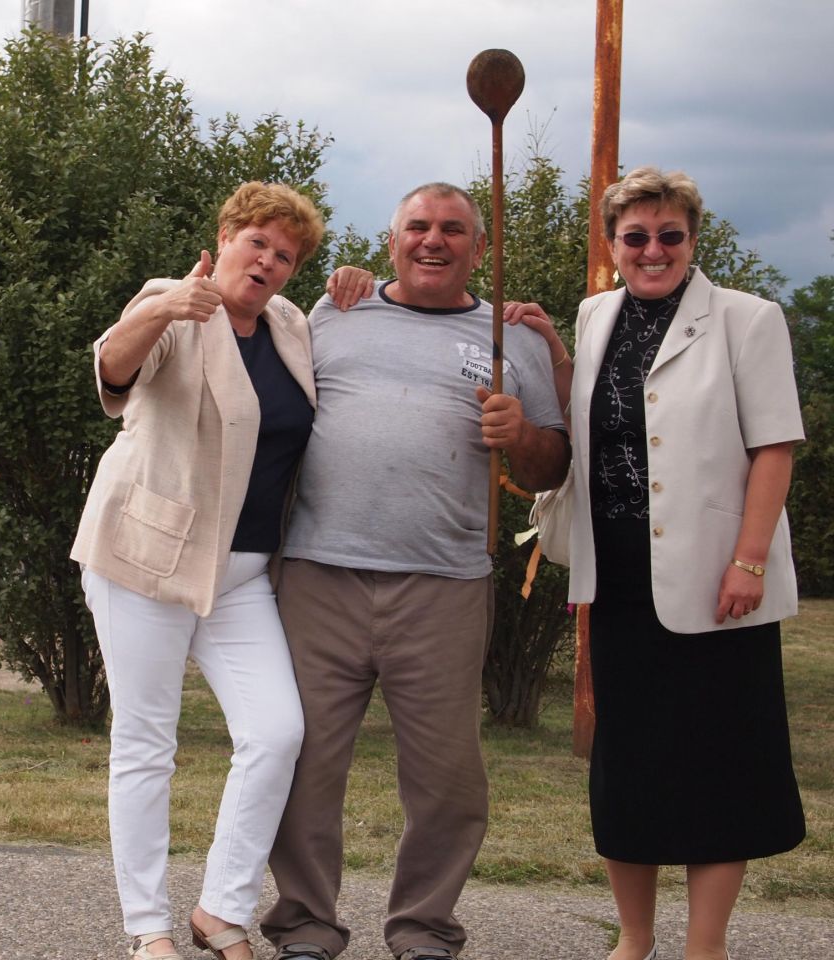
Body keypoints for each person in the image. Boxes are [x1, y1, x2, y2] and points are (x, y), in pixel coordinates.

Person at [261, 182, 570, 960]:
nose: (434, 240)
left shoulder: (512, 337)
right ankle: (304, 926)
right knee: (302, 763)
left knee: (446, 777)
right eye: (419, 227)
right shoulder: (335, 312)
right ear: (392, 240)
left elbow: (550, 467)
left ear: (480, 247)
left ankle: (425, 929)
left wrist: (520, 434)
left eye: (454, 229)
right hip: (319, 576)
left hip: (444, 584)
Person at [504, 166, 806, 960]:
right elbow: (592, 415)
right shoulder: (596, 313)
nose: (653, 250)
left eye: (670, 235)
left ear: (693, 240)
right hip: (618, 581)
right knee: (628, 769)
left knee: (720, 768)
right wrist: (555, 350)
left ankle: (706, 947)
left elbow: (775, 448)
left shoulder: (748, 319)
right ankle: (632, 941)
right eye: (635, 236)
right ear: (613, 244)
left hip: (718, 582)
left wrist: (748, 560)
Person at [72, 182, 327, 960]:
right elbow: (112, 371)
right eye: (258, 243)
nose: (269, 261)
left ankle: (221, 909)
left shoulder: (289, 325)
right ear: (224, 240)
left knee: (276, 732)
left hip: (240, 576)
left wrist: (349, 283)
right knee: (146, 743)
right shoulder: (174, 301)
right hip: (144, 558)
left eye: (286, 255)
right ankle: (147, 927)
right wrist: (162, 311)